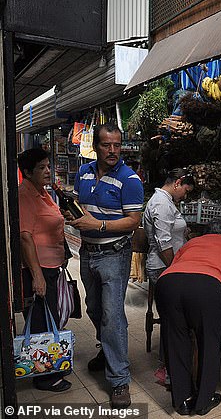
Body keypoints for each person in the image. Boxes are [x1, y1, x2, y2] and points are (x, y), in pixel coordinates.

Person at [68, 123, 144, 408]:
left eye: (116, 145)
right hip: (88, 252)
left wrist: (98, 223)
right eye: (106, 145)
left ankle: (119, 380)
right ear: (96, 146)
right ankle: (108, 350)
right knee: (95, 309)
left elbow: (133, 221)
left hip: (114, 253)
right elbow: (79, 203)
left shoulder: (130, 179)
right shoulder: (84, 173)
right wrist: (73, 213)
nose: (112, 151)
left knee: (112, 316)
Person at [155, 219, 221, 416]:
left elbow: (176, 262)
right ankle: (203, 400)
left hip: (168, 283)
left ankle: (182, 400)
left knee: (175, 340)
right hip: (206, 285)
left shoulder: (191, 243)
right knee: (209, 343)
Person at [18, 148, 72, 392]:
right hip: (38, 270)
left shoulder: (43, 193)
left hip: (51, 267)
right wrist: (37, 275)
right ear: (28, 172)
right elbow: (25, 237)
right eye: (41, 168)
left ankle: (50, 367)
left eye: (48, 166)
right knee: (40, 321)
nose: (48, 171)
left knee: (47, 317)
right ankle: (44, 376)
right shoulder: (25, 195)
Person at [143, 168, 195, 384]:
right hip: (163, 268)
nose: (185, 195)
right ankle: (170, 368)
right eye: (185, 190)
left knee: (172, 317)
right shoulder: (162, 204)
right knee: (174, 319)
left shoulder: (166, 201)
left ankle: (173, 364)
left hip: (168, 266)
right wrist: (175, 269)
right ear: (178, 182)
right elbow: (164, 243)